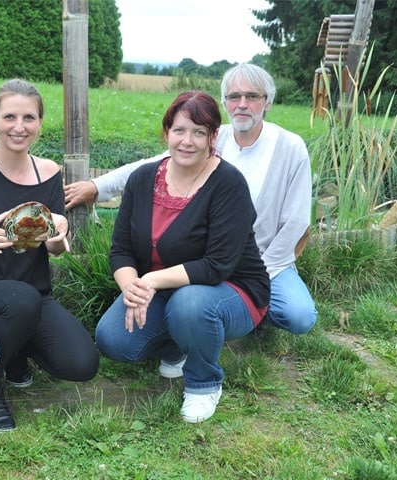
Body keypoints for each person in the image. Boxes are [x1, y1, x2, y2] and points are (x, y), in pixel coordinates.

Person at [65, 63, 317, 336]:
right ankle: (202, 321)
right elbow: (151, 166)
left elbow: (296, 222)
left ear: (267, 102)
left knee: (299, 316)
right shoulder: (208, 138)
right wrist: (96, 186)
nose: (242, 104)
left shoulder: (290, 147)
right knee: (156, 319)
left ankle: (239, 317)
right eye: (234, 97)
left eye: (252, 97)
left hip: (263, 261)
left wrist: (259, 276)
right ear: (225, 102)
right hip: (205, 260)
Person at [95, 90, 270, 423]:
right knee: (114, 340)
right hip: (163, 289)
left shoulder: (228, 184)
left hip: (232, 290)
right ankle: (178, 345)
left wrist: (150, 281)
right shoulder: (142, 179)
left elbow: (216, 266)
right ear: (166, 133)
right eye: (179, 130)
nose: (187, 141)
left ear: (213, 137)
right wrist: (131, 287)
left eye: (199, 132)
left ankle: (204, 382)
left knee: (189, 305)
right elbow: (121, 249)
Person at [0, 79, 99, 432]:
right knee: (21, 298)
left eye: (29, 117)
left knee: (81, 364)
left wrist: (59, 233)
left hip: (33, 295)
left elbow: (54, 248)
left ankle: (12, 353)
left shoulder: (50, 172)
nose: (19, 126)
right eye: (9, 116)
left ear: (40, 123)